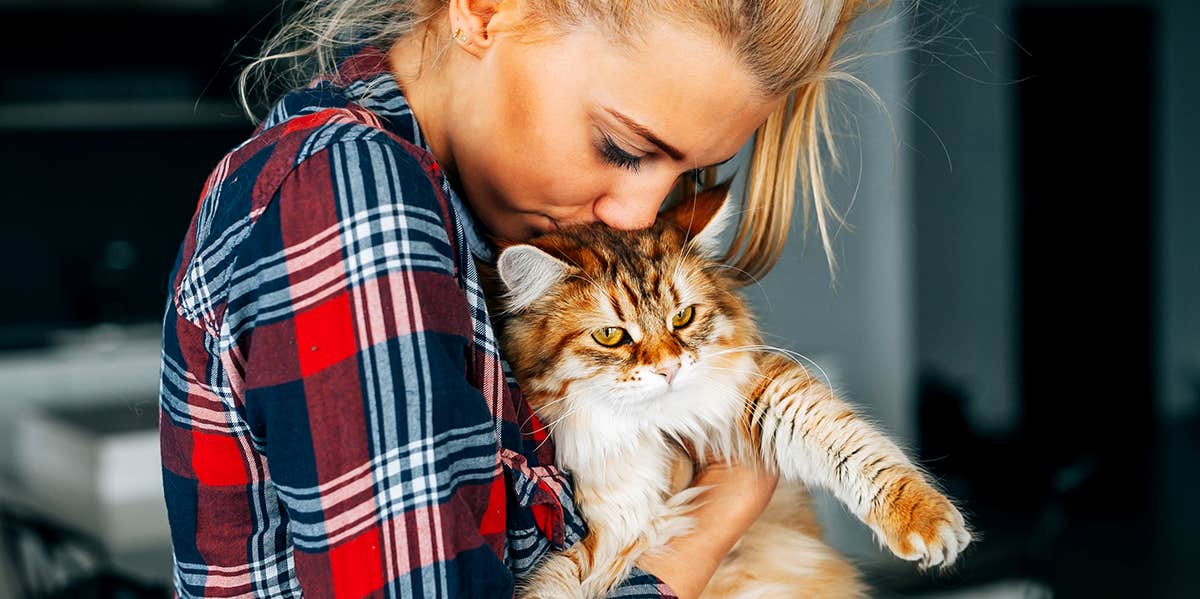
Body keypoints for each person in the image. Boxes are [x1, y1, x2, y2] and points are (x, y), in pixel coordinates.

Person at [159, 0, 879, 597]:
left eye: (686, 169)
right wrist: (725, 503)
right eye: (623, 148)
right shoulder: (352, 198)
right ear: (485, 11)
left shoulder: (467, 211)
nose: (638, 214)